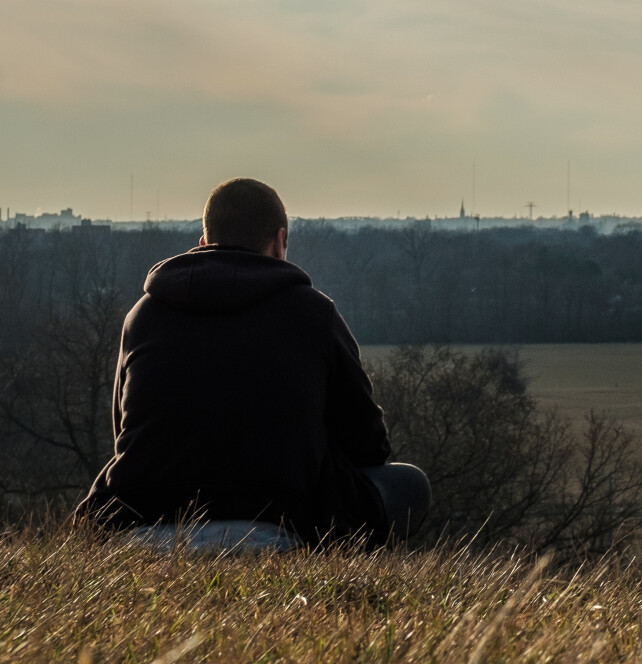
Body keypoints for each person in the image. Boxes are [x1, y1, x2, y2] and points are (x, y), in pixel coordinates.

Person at [78, 177, 428, 546]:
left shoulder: (144, 315)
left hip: (140, 522)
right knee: (409, 484)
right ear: (279, 242)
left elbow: (124, 432)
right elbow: (368, 445)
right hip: (281, 521)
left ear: (204, 243)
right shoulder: (312, 313)